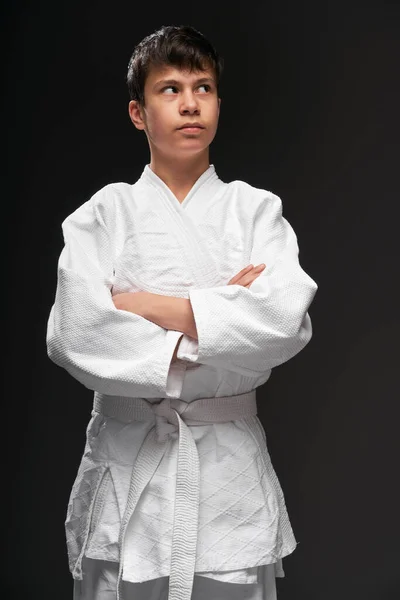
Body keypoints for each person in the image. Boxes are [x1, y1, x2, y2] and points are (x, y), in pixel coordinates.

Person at [46, 24, 318, 600]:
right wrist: (220, 312)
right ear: (138, 113)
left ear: (219, 102)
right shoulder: (103, 214)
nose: (190, 103)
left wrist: (148, 306)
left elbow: (283, 320)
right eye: (169, 89)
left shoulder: (256, 211)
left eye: (204, 87)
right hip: (127, 464)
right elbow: (77, 333)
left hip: (228, 471)